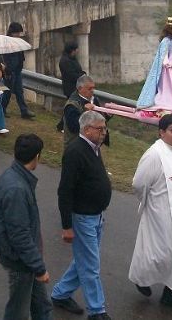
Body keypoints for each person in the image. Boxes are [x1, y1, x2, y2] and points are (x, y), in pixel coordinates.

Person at [129, 114, 172, 313]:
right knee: (159, 255)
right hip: (161, 215)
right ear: (161, 132)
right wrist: (148, 202)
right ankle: (141, 279)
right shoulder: (154, 154)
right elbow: (139, 183)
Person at [51, 111, 112, 319]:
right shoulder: (75, 151)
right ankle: (97, 311)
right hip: (83, 218)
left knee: (84, 261)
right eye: (100, 129)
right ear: (87, 130)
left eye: (104, 128)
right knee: (91, 266)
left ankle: (60, 294)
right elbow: (65, 190)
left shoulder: (94, 147)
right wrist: (66, 225)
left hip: (96, 216)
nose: (104, 133)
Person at [0, 134, 51, 320]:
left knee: (42, 306)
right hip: (22, 262)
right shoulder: (17, 188)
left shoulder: (14, 177)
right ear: (36, 157)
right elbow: (20, 235)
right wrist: (39, 267)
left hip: (27, 260)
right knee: (17, 311)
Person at [135, 17, 172, 119]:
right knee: (166, 86)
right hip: (167, 70)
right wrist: (166, 62)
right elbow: (163, 55)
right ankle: (164, 101)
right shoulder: (166, 41)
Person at [63, 75, 110, 148]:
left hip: (93, 144)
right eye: (89, 88)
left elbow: (99, 120)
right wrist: (85, 112)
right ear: (80, 89)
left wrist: (107, 114)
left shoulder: (94, 100)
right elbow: (73, 127)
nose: (92, 91)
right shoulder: (72, 105)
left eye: (93, 88)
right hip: (76, 147)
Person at [2, 22, 35, 120]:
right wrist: (8, 69)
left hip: (17, 69)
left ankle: (24, 111)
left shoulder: (18, 41)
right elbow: (6, 58)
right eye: (17, 33)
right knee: (7, 92)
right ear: (12, 32)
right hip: (10, 70)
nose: (18, 35)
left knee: (20, 91)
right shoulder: (7, 42)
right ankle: (3, 109)